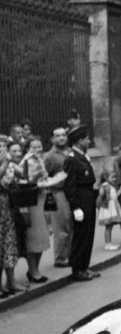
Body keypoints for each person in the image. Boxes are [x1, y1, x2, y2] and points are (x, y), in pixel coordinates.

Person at [63, 125, 100, 281]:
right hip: (80, 202)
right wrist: (76, 207)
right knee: (80, 236)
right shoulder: (71, 159)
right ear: (79, 141)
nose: (89, 141)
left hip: (88, 199)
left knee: (88, 235)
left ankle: (84, 266)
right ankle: (77, 268)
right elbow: (70, 187)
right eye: (86, 139)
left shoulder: (83, 157)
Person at [21, 136, 54, 283]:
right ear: (28, 149)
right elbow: (23, 180)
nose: (37, 150)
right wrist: (36, 178)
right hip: (31, 201)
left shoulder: (40, 160)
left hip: (42, 199)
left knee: (43, 236)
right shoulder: (26, 162)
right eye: (33, 147)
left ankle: (35, 269)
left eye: (39, 147)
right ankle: (33, 270)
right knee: (34, 237)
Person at [43, 127, 73, 267]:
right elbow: (44, 177)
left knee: (72, 225)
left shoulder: (70, 151)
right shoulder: (49, 156)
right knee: (61, 226)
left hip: (72, 192)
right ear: (52, 139)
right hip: (58, 192)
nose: (61, 138)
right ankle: (60, 258)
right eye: (57, 136)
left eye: (63, 135)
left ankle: (71, 254)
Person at [0, 135, 21, 297]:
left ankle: (10, 281)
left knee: (8, 244)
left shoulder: (9, 165)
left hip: (6, 207)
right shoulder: (5, 164)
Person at [96, 168, 121, 250]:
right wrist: (98, 207)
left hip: (112, 208)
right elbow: (100, 197)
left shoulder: (111, 186)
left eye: (115, 177)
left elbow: (115, 196)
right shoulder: (105, 186)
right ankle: (108, 244)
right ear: (106, 178)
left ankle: (109, 243)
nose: (114, 179)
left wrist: (120, 189)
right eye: (112, 177)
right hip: (108, 209)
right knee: (108, 227)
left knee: (110, 226)